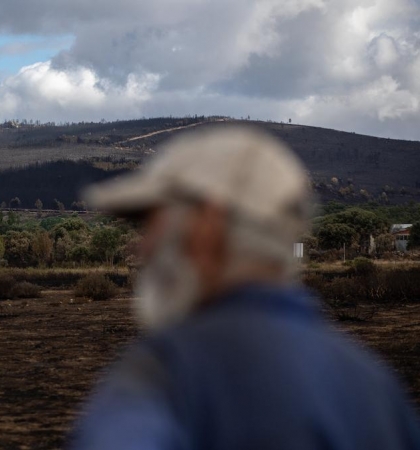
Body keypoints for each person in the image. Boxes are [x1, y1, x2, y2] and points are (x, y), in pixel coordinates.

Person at [69, 126, 420, 449]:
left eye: (150, 224)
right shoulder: (374, 386)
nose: (141, 248)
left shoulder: (165, 374)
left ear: (207, 226)